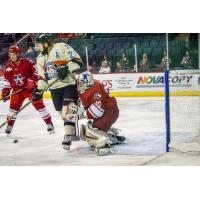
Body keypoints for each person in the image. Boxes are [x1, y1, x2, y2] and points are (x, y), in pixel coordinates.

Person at [32, 34, 83, 150]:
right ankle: (71, 129)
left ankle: (68, 135)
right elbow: (42, 77)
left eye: (40, 45)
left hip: (68, 85)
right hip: (54, 89)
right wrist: (39, 90)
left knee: (68, 112)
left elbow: (78, 60)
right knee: (63, 115)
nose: (39, 48)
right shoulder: (40, 59)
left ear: (46, 43)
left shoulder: (61, 47)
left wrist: (66, 69)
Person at [1, 45, 54, 134]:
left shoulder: (27, 62)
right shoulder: (8, 67)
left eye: (14, 54)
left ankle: (49, 124)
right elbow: (7, 81)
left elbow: (36, 73)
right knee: (13, 109)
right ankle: (9, 125)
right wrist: (6, 91)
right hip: (17, 91)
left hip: (30, 89)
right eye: (11, 54)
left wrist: (33, 81)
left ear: (18, 54)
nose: (12, 56)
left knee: (39, 105)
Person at [76, 71, 126, 155]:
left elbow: (98, 111)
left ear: (87, 82)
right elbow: (92, 104)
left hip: (110, 112)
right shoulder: (90, 85)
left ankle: (104, 145)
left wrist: (82, 114)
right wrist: (83, 109)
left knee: (92, 131)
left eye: (81, 83)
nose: (79, 85)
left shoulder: (94, 89)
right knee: (86, 132)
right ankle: (112, 134)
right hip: (107, 110)